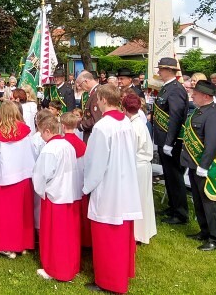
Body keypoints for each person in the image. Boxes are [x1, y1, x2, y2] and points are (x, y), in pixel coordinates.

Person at [83, 84, 142, 294]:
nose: (97, 103)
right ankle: (121, 272)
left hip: (108, 186)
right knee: (122, 233)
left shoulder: (102, 127)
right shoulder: (126, 122)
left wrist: (86, 186)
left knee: (107, 237)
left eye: (98, 99)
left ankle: (108, 281)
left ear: (104, 100)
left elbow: (95, 163)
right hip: (125, 182)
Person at [32, 114, 81, 282]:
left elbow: (40, 175)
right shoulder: (68, 145)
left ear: (47, 131)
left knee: (55, 235)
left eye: (41, 133)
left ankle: (55, 269)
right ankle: (71, 266)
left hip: (55, 197)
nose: (41, 137)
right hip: (70, 195)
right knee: (69, 235)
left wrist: (41, 190)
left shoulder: (49, 149)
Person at [182, 80, 216, 251]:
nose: (193, 95)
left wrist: (204, 166)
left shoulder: (214, 115)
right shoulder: (199, 111)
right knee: (198, 200)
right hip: (194, 163)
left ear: (206, 96)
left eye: (196, 94)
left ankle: (215, 238)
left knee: (209, 202)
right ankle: (204, 231)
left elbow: (212, 144)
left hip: (204, 166)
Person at [0, 101, 37, 259]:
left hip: (7, 177)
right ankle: (23, 244)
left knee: (7, 214)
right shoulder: (25, 130)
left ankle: (8, 246)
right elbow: (31, 151)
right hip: (24, 175)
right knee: (22, 212)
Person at [152, 58, 189, 226]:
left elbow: (175, 117)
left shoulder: (176, 89)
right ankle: (173, 206)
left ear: (169, 70)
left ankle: (180, 213)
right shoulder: (167, 87)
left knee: (175, 176)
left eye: (161, 69)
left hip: (171, 141)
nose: (159, 72)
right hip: (163, 138)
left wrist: (169, 142)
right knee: (168, 175)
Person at [123, 92, 156, 244]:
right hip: (143, 165)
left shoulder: (134, 127)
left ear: (125, 109)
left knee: (138, 200)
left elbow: (131, 150)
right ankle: (144, 231)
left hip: (138, 165)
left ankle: (138, 233)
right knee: (144, 199)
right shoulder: (139, 123)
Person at [60, 112, 90, 247]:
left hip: (65, 183)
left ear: (62, 126)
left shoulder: (62, 144)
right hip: (79, 182)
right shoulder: (82, 144)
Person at [75, 71, 101, 141]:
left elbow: (96, 118)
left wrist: (80, 124)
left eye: (80, 85)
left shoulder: (97, 93)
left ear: (86, 81)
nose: (81, 88)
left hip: (93, 135)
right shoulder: (94, 92)